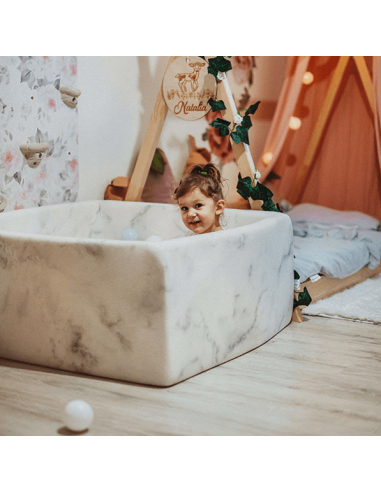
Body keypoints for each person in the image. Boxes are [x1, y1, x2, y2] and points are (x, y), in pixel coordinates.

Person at [173, 163, 226, 234]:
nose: (190, 214)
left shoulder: (225, 241)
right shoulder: (188, 237)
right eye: (184, 208)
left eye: (198, 205)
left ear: (218, 207)